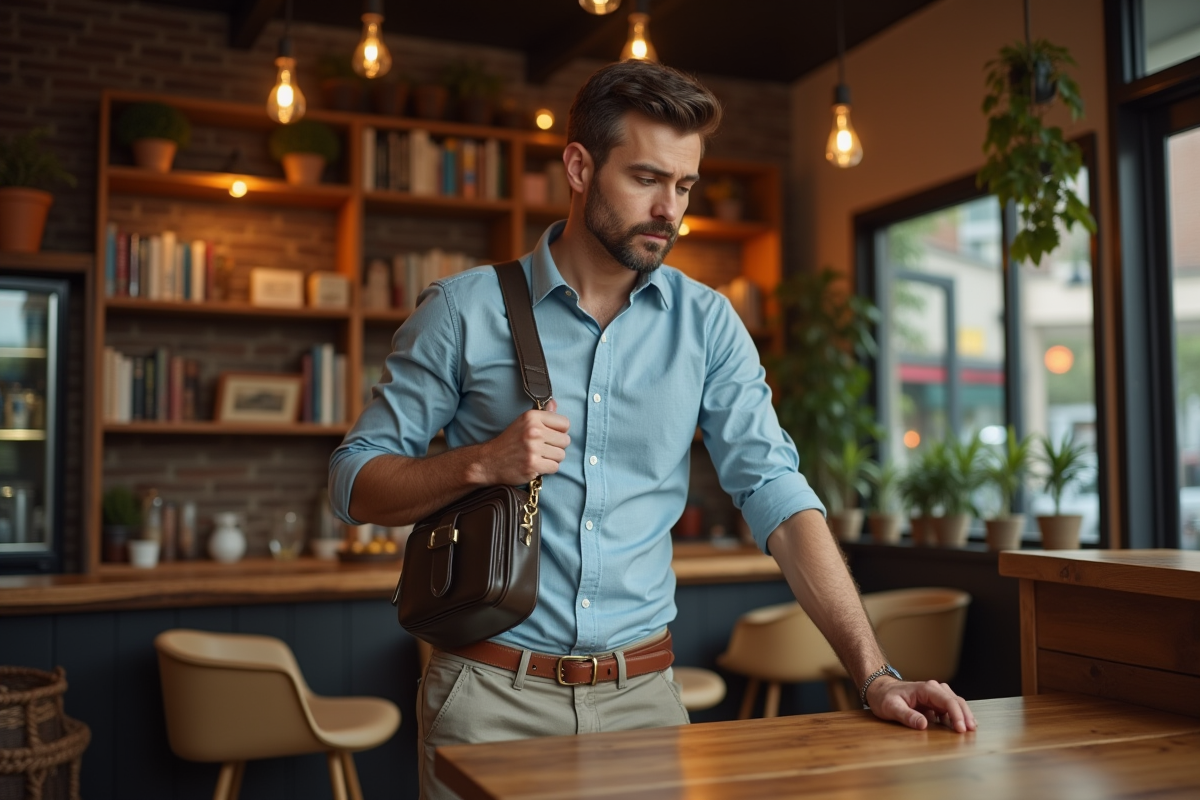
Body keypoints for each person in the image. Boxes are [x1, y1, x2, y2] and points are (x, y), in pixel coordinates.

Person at [329, 59, 976, 800]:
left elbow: (775, 492)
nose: (669, 208)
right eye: (645, 179)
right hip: (489, 696)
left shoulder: (708, 326)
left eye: (684, 185)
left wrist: (875, 675)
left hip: (645, 702)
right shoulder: (463, 310)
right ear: (578, 166)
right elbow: (354, 482)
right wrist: (482, 463)